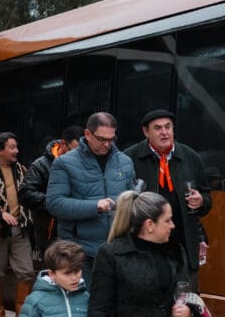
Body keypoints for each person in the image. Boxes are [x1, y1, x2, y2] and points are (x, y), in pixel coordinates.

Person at [124, 109, 212, 288]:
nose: (164, 132)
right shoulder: (129, 158)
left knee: (186, 300)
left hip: (183, 241)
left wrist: (201, 201)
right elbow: (121, 202)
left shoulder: (191, 157)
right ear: (146, 132)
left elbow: (207, 196)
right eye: (157, 128)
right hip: (144, 243)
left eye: (168, 127)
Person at [46, 112, 134, 286]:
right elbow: (54, 204)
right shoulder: (64, 163)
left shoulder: (125, 162)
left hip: (117, 250)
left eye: (111, 139)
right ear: (87, 134)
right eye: (101, 139)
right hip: (79, 254)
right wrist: (95, 206)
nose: (107, 144)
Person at [0, 131, 35, 317]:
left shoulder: (22, 169)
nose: (16, 151)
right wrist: (0, 213)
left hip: (21, 227)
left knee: (27, 271)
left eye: (16, 147)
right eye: (12, 147)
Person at [19, 125, 82, 255]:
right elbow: (25, 194)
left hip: (77, 232)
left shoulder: (83, 164)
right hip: (49, 233)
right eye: (73, 151)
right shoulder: (41, 165)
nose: (77, 156)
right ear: (63, 144)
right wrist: (55, 203)